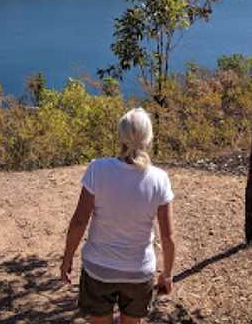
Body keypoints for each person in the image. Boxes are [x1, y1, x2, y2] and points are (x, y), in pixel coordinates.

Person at [60, 108, 175, 324]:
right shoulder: (160, 179)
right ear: (148, 138)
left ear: (120, 136)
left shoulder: (98, 169)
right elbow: (168, 237)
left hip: (98, 270)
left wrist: (67, 259)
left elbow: (79, 222)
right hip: (138, 272)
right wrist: (167, 274)